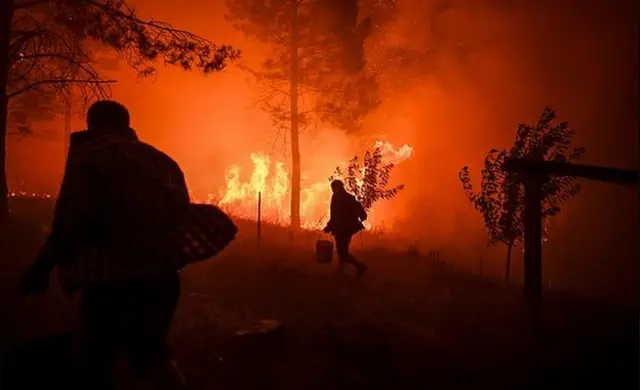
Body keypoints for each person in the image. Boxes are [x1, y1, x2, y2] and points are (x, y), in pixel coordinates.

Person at [19, 100, 190, 389]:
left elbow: (69, 221)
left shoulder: (89, 160)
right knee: (151, 354)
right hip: (161, 280)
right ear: (127, 124)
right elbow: (180, 216)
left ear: (92, 124)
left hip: (111, 282)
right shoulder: (161, 160)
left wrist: (41, 268)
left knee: (96, 361)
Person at [323, 180, 368, 278]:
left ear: (337, 188)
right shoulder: (344, 197)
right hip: (344, 228)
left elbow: (335, 215)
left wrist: (329, 226)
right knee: (341, 249)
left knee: (342, 252)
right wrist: (330, 225)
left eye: (333, 188)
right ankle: (341, 269)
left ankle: (359, 267)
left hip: (344, 229)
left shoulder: (342, 198)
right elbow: (334, 215)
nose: (333, 190)